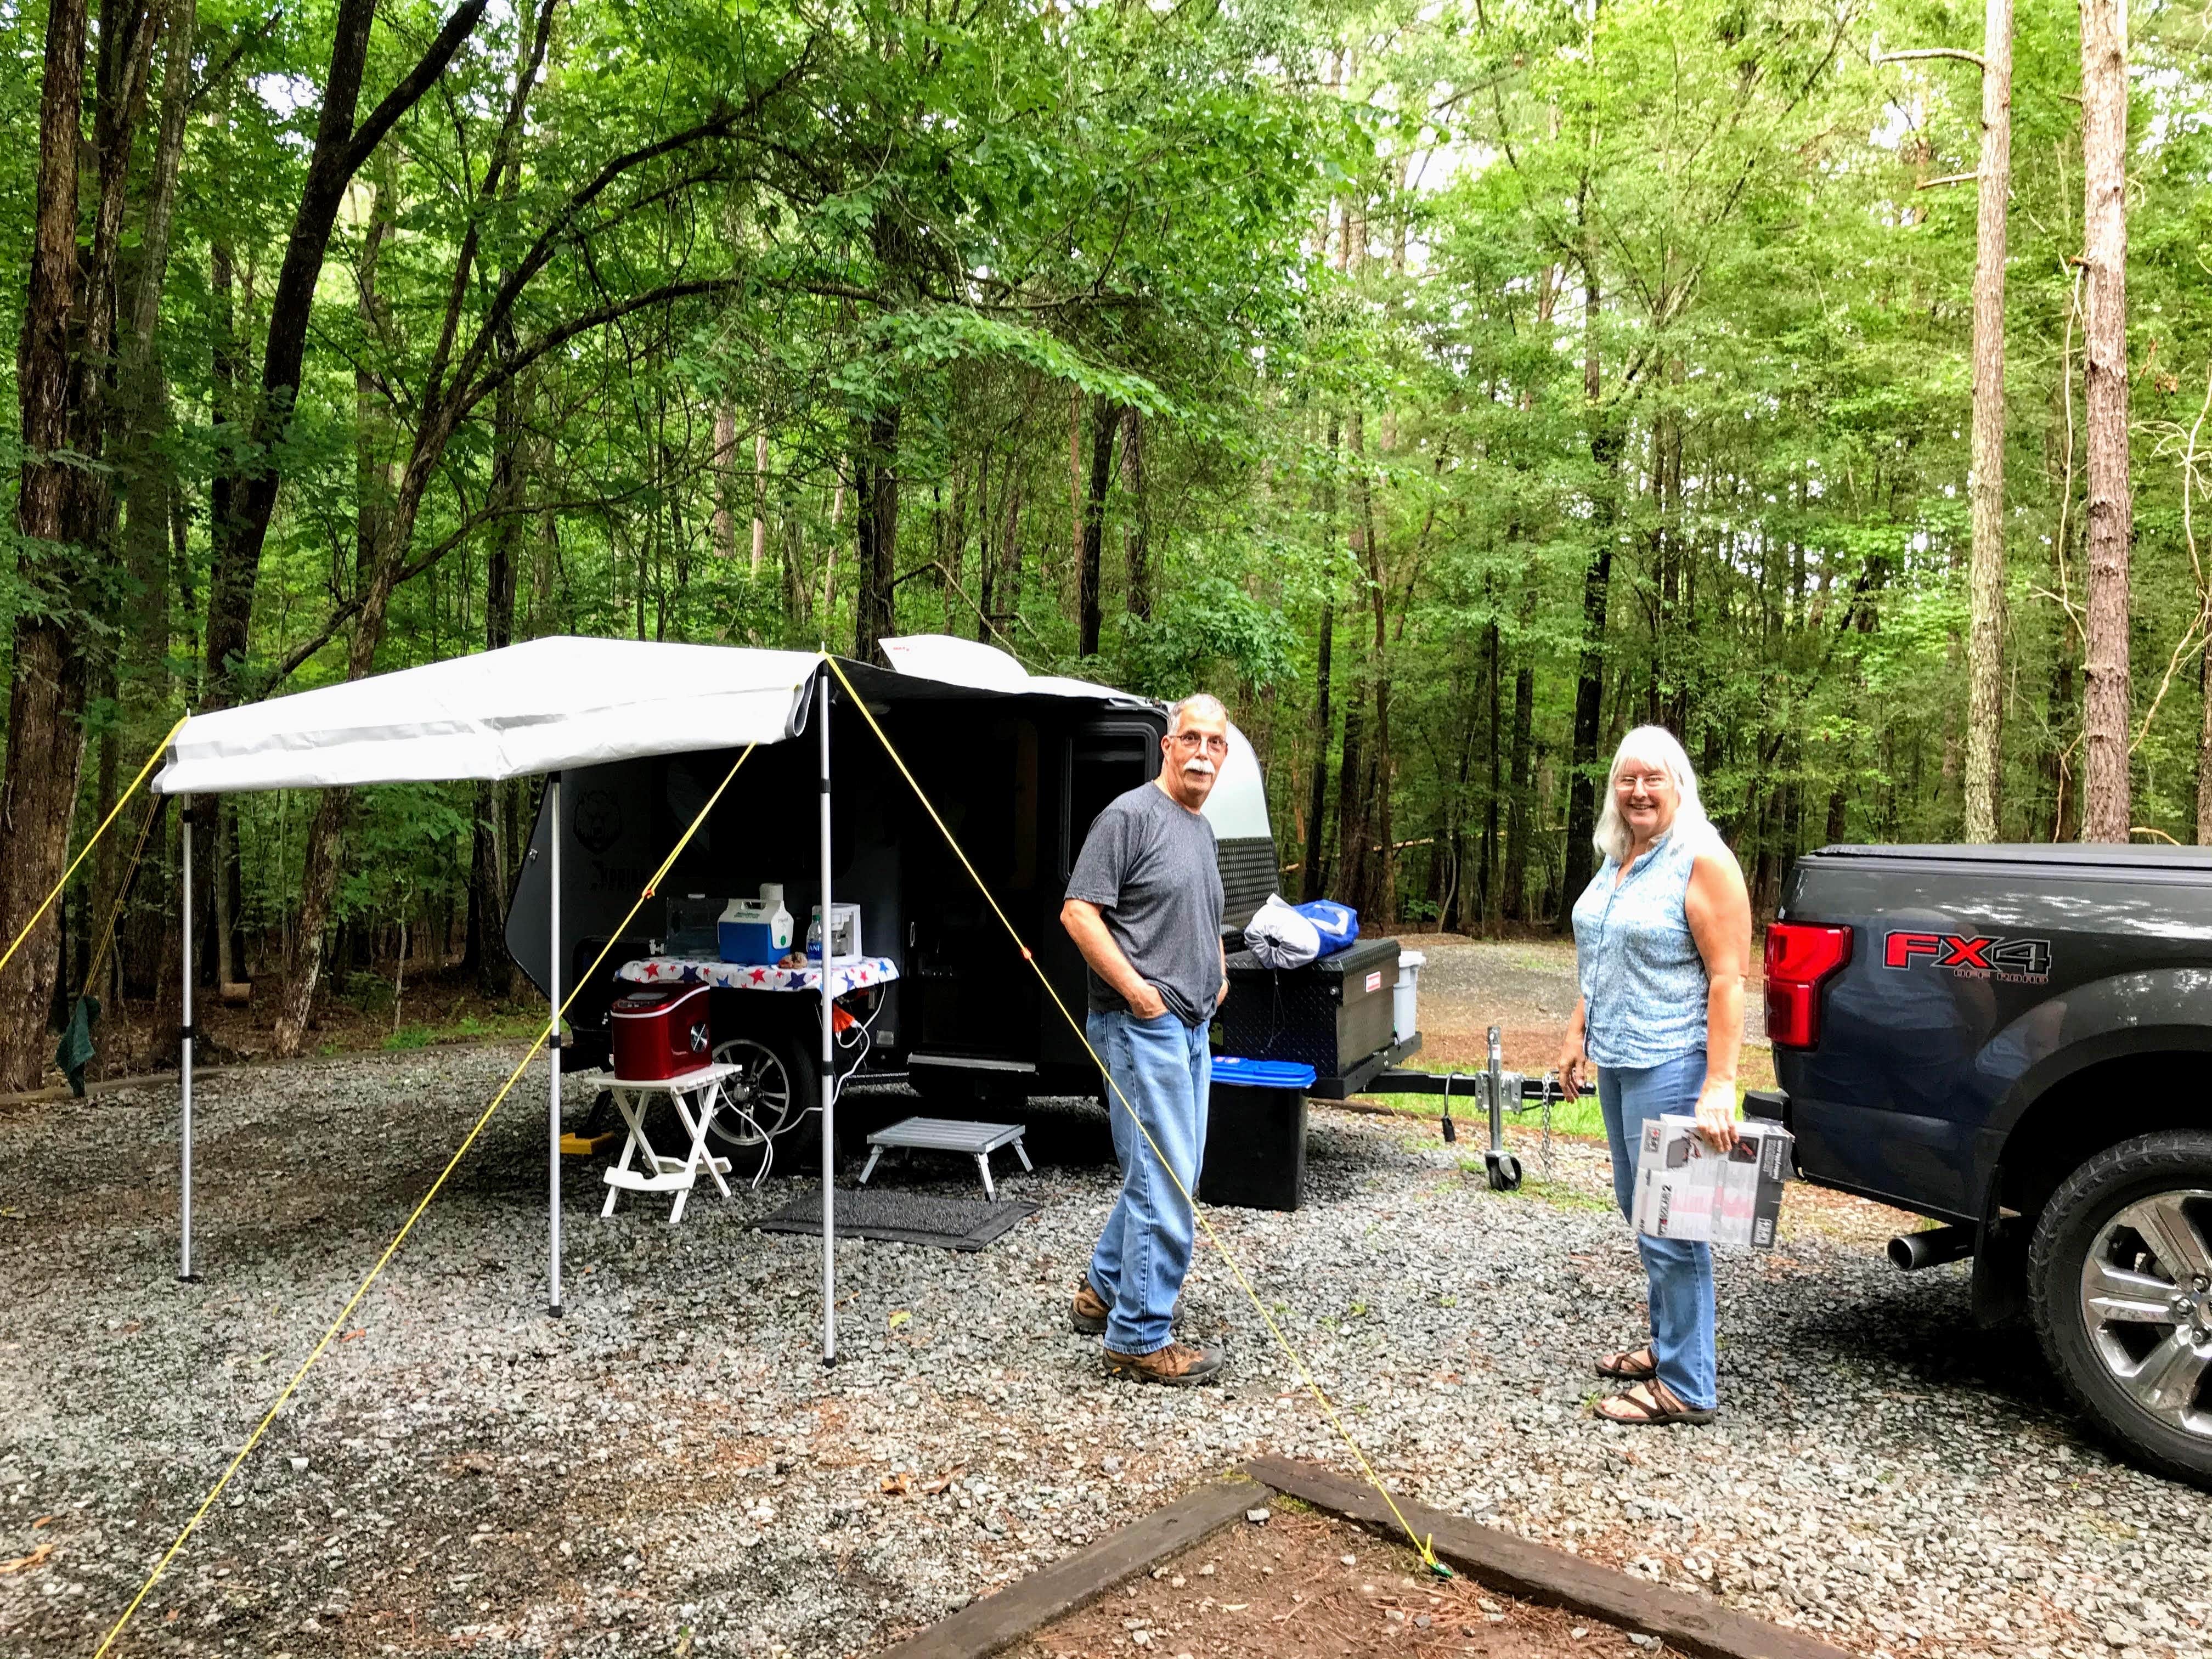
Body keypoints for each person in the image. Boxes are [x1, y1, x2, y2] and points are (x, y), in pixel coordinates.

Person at [1558, 726, 1752, 1426]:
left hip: (1673, 1063)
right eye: (1626, 779)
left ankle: (1688, 1385)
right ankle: (1669, 1345)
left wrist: (1721, 1083)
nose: (1638, 791)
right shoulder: (1622, 856)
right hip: (1618, 1057)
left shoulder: (1703, 860)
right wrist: (1579, 1029)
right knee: (1638, 1211)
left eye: (1653, 779)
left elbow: (1730, 980)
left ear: (1679, 784)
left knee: (1672, 1226)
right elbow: (1601, 952)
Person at [1059, 693, 1233, 1386]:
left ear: (1224, 755)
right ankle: (1137, 1336)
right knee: (1166, 1182)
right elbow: (1078, 913)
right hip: (1142, 1027)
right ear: (1167, 745)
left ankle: (1103, 1291)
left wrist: (1216, 970)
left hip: (1190, 1026)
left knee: (1169, 1175)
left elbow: (1203, 911)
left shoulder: (1199, 827)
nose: (1201, 753)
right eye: (1189, 739)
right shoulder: (1130, 816)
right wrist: (1137, 993)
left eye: (1214, 744)